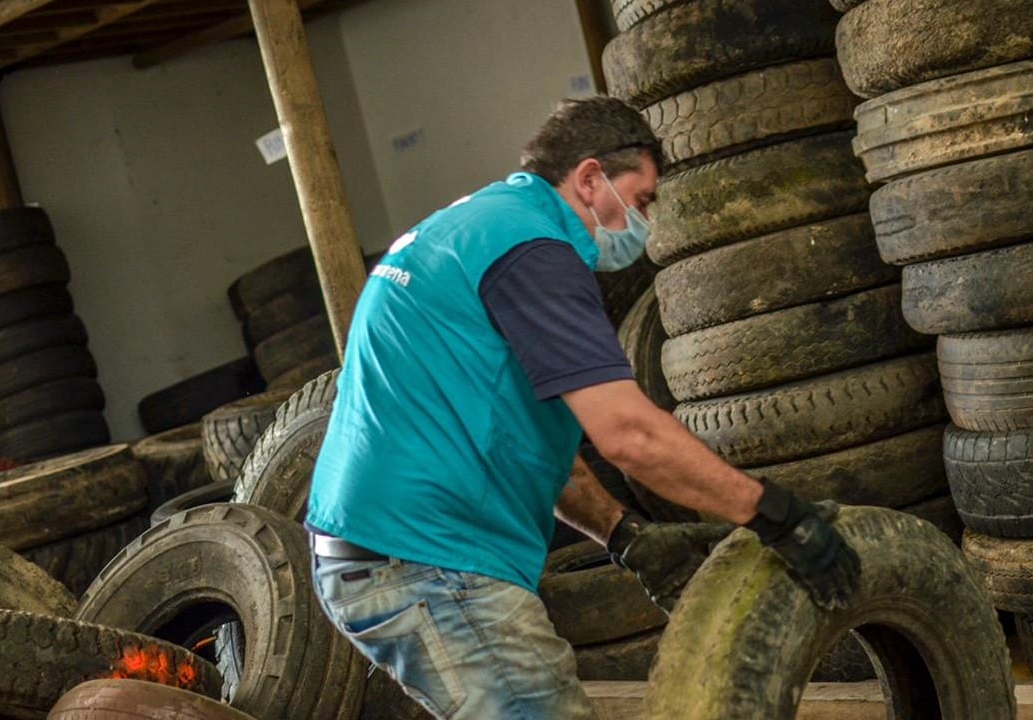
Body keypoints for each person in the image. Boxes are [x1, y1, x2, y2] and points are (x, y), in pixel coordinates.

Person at [305, 96, 860, 720]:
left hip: (387, 553)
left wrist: (625, 537)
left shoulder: (484, 226)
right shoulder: (534, 249)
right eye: (642, 199)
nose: (644, 221)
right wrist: (773, 515)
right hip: (432, 562)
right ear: (590, 177)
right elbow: (628, 435)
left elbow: (523, 440)